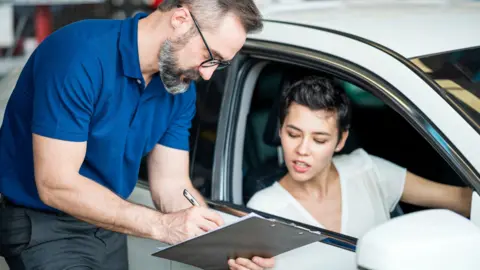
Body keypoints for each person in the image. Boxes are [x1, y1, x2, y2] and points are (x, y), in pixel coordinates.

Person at [0, 1, 275, 269]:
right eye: (209, 56)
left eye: (220, 64)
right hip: (44, 225)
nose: (207, 74)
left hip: (108, 224)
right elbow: (56, 185)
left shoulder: (179, 90)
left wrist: (226, 246)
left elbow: (171, 184)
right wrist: (162, 225)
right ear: (180, 19)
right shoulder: (79, 54)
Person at [247, 75, 473, 269]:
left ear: (340, 140)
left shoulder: (368, 171)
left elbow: (461, 199)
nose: (302, 150)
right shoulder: (264, 209)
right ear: (280, 131)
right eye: (293, 135)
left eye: (319, 139)